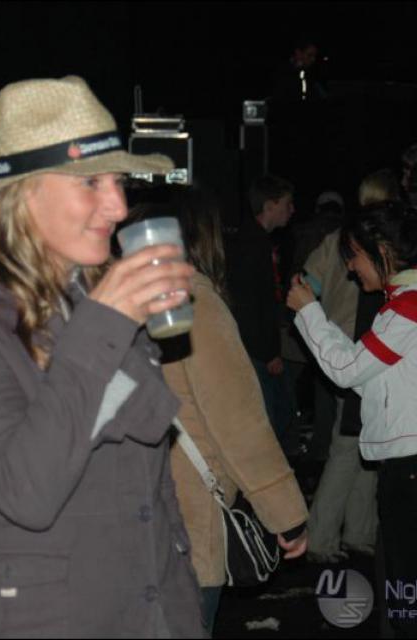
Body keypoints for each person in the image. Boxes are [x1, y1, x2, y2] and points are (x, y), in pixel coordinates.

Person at [0, 76, 204, 638]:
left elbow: (148, 467)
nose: (118, 206)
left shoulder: (88, 297)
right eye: (91, 182)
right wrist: (106, 323)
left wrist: (179, 609)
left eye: (119, 182)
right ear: (21, 194)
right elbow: (26, 491)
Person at [133, 188, 308, 636]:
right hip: (184, 520)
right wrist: (286, 514)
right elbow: (239, 423)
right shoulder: (195, 306)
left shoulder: (109, 305)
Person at [287, 200, 417, 638]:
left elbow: (347, 372)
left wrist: (309, 311)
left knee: (405, 591)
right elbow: (368, 379)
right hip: (405, 463)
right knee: (400, 584)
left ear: (383, 250)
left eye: (354, 255)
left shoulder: (407, 308)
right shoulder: (402, 305)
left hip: (410, 467)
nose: (349, 267)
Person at [301, 170, 399, 563]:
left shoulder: (338, 240)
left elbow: (307, 282)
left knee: (367, 446)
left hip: (352, 347)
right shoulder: (376, 245)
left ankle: (358, 531)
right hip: (352, 350)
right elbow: (306, 287)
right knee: (347, 448)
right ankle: (320, 538)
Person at [225, 174, 296, 451]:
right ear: (269, 205)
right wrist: (268, 353)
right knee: (270, 421)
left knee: (277, 414)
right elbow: (250, 304)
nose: (292, 210)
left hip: (256, 347)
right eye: (287, 204)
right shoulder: (251, 244)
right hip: (255, 349)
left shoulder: (256, 241)